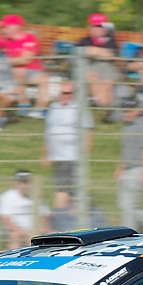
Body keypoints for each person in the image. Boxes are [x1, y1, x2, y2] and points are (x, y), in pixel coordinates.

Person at [43, 78, 87, 223]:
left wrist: (85, 151)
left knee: (68, 190)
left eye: (70, 93)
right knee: (63, 188)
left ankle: (66, 218)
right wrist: (46, 153)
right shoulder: (54, 108)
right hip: (58, 156)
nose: (67, 95)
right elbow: (48, 131)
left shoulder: (77, 108)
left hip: (73, 155)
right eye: (64, 93)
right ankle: (63, 218)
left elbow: (87, 131)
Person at [78, 13, 121, 111]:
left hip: (107, 71)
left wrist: (93, 51)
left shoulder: (110, 40)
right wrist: (101, 52)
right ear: (89, 27)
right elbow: (80, 53)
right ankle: (101, 105)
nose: (98, 29)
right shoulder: (84, 40)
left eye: (100, 26)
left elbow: (110, 56)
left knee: (108, 78)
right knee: (92, 74)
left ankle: (99, 103)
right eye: (95, 26)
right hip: (91, 71)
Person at [0, 169, 38, 248]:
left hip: (36, 230)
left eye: (27, 182)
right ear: (16, 183)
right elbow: (7, 222)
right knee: (15, 236)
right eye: (22, 182)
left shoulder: (37, 197)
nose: (25, 185)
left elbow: (45, 218)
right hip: (17, 232)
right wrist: (24, 232)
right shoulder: (6, 197)